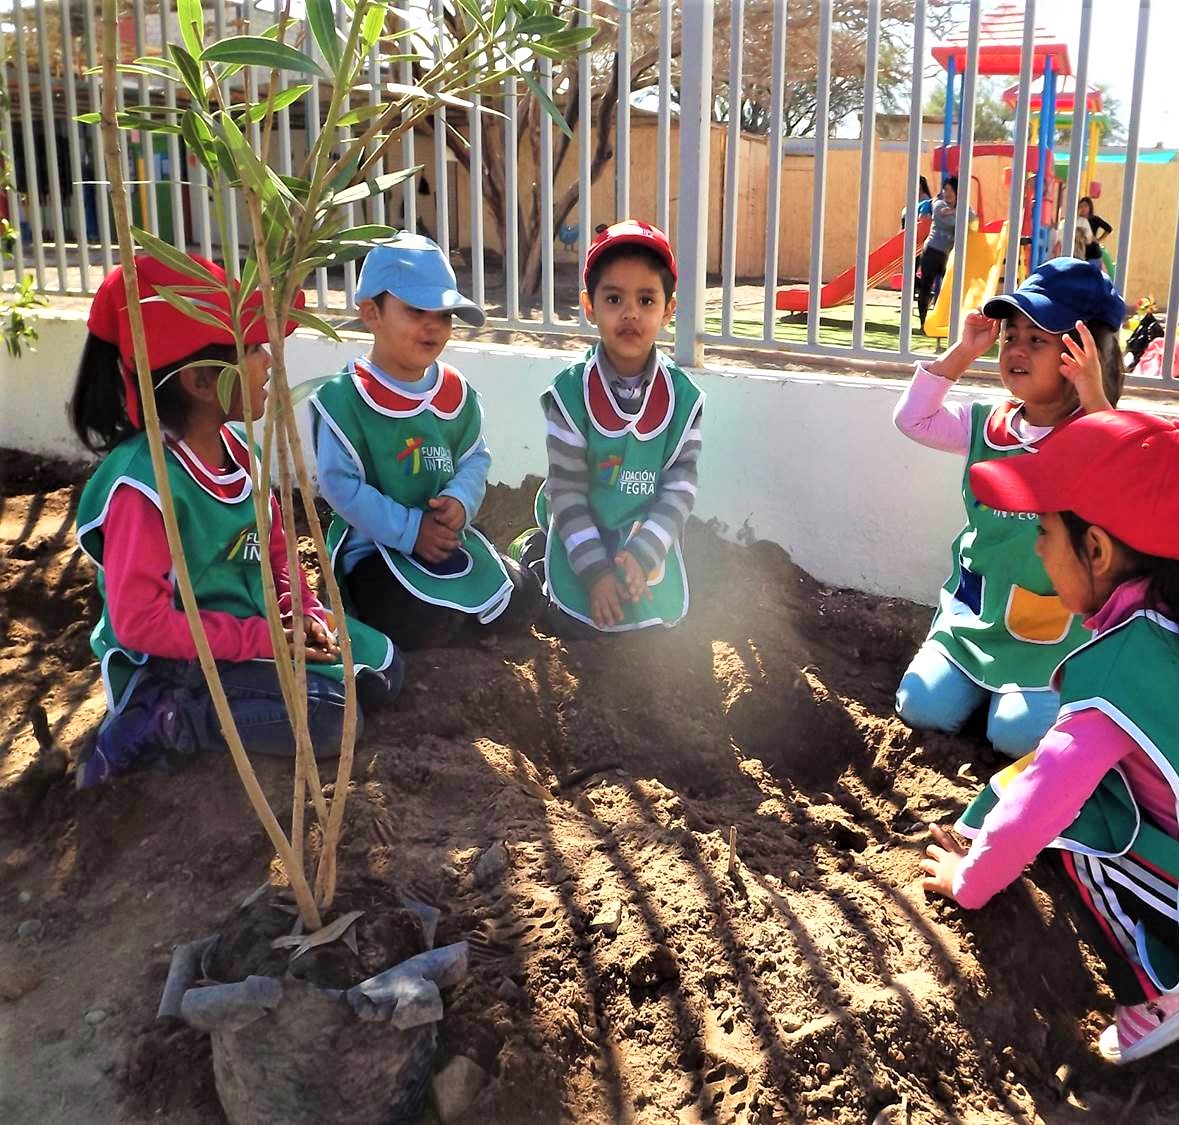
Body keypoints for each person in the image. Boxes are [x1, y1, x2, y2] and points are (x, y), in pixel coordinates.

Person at [920, 411, 1179, 1065]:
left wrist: (971, 880)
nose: (1037, 551)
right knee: (1079, 777)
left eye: (1044, 532)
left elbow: (1039, 805)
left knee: (1070, 825)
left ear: (1098, 551)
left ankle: (1160, 989)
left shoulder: (1116, 674)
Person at [70, 255, 402, 789]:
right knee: (331, 719)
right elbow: (139, 624)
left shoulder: (243, 452)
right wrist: (265, 640)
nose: (269, 361)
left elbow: (276, 553)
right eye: (251, 349)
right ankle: (164, 718)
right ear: (201, 381)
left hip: (252, 628)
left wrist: (302, 612)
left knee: (385, 669)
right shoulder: (146, 487)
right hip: (179, 660)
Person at [893, 258, 1125, 757]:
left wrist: (1093, 393)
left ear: (1081, 352)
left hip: (1054, 637)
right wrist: (965, 350)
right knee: (920, 707)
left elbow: (1126, 473)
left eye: (1037, 339)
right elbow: (913, 419)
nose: (1016, 348)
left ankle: (1021, 703)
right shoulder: (986, 425)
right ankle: (982, 691)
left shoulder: (1098, 433)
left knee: (1017, 737)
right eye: (1010, 336)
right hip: (975, 620)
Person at [311, 233, 538, 653]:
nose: (433, 324)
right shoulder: (345, 399)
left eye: (444, 313)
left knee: (525, 595)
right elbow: (340, 486)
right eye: (416, 310)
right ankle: (459, 622)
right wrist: (412, 531)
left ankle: (472, 609)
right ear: (371, 312)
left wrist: (459, 501)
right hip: (376, 551)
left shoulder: (455, 391)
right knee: (409, 616)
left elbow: (474, 458)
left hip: (447, 541)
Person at [511, 220, 705, 632]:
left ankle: (630, 559)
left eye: (647, 299)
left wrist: (644, 554)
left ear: (669, 309)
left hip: (642, 530)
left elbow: (680, 488)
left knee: (657, 632)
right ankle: (536, 551)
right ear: (589, 306)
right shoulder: (570, 393)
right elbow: (566, 490)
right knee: (572, 624)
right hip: (582, 522)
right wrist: (596, 574)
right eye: (614, 298)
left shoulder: (683, 399)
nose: (631, 312)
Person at [914, 176, 962, 326]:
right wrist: (957, 213)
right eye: (945, 190)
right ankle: (923, 322)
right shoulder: (938, 204)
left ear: (957, 192)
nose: (947, 193)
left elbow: (971, 218)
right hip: (932, 251)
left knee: (951, 286)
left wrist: (954, 211)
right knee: (926, 286)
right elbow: (952, 221)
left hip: (947, 256)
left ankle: (945, 319)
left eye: (950, 190)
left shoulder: (960, 208)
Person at [1073, 196, 1113, 271]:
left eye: (1085, 206)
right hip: (1080, 253)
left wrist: (1098, 240)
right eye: (1081, 206)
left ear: (1090, 207)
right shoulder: (1076, 220)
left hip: (1093, 254)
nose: (1083, 208)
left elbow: (1108, 228)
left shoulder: (1094, 219)